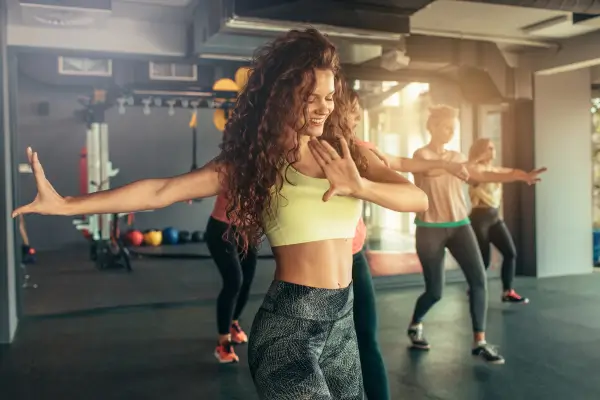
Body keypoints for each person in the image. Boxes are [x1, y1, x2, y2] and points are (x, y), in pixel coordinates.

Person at [13, 29, 428, 399]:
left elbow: (416, 199)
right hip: (290, 328)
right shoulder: (254, 162)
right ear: (283, 97)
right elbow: (161, 191)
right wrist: (67, 204)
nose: (322, 108)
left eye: (329, 97)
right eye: (310, 97)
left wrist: (360, 187)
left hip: (342, 319)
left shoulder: (347, 153)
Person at [406, 105, 544, 365]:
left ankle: (479, 341)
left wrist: (519, 175)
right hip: (430, 230)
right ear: (432, 126)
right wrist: (456, 166)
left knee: (479, 280)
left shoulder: (457, 156)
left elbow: (484, 173)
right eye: (446, 126)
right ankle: (415, 324)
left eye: (453, 128)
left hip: (460, 226)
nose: (450, 131)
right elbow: (431, 170)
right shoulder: (421, 154)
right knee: (435, 292)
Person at [467, 138, 546, 304]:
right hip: (479, 218)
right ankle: (474, 287)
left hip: (495, 217)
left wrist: (525, 176)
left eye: (493, 148)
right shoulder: (474, 171)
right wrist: (476, 159)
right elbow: (496, 175)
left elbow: (510, 172)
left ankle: (508, 291)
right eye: (488, 148)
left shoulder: (495, 169)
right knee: (484, 260)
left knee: (510, 253)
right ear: (480, 150)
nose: (492, 151)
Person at [205, 192, 258, 363]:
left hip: (247, 228)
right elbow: (208, 177)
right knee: (234, 281)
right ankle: (223, 343)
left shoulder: (270, 168)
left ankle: (233, 322)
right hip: (222, 227)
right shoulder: (230, 165)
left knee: (247, 280)